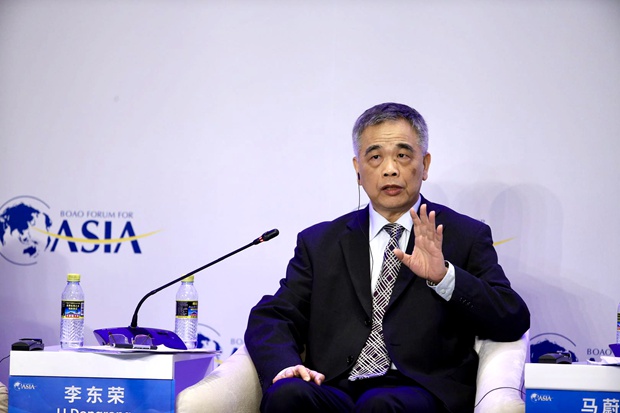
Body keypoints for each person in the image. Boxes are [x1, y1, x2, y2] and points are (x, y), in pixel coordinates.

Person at [244, 102, 530, 413]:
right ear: (358, 169)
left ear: (425, 164)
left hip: (419, 393)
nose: (390, 169)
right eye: (375, 157)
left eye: (403, 155)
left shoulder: (464, 235)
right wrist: (285, 365)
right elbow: (274, 315)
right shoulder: (320, 242)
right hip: (336, 389)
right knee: (287, 394)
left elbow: (511, 318)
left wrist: (444, 277)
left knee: (380, 404)